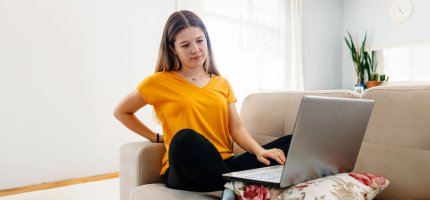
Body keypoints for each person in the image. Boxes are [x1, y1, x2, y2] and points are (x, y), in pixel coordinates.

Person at [114, 10, 292, 192]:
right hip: (185, 171)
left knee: (292, 142)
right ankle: (235, 186)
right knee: (184, 138)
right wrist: (154, 137)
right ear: (172, 48)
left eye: (199, 40)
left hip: (225, 165)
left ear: (206, 40)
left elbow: (236, 128)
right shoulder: (157, 82)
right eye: (185, 45)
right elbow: (121, 112)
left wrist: (259, 151)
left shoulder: (221, 83)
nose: (195, 49)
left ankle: (232, 186)